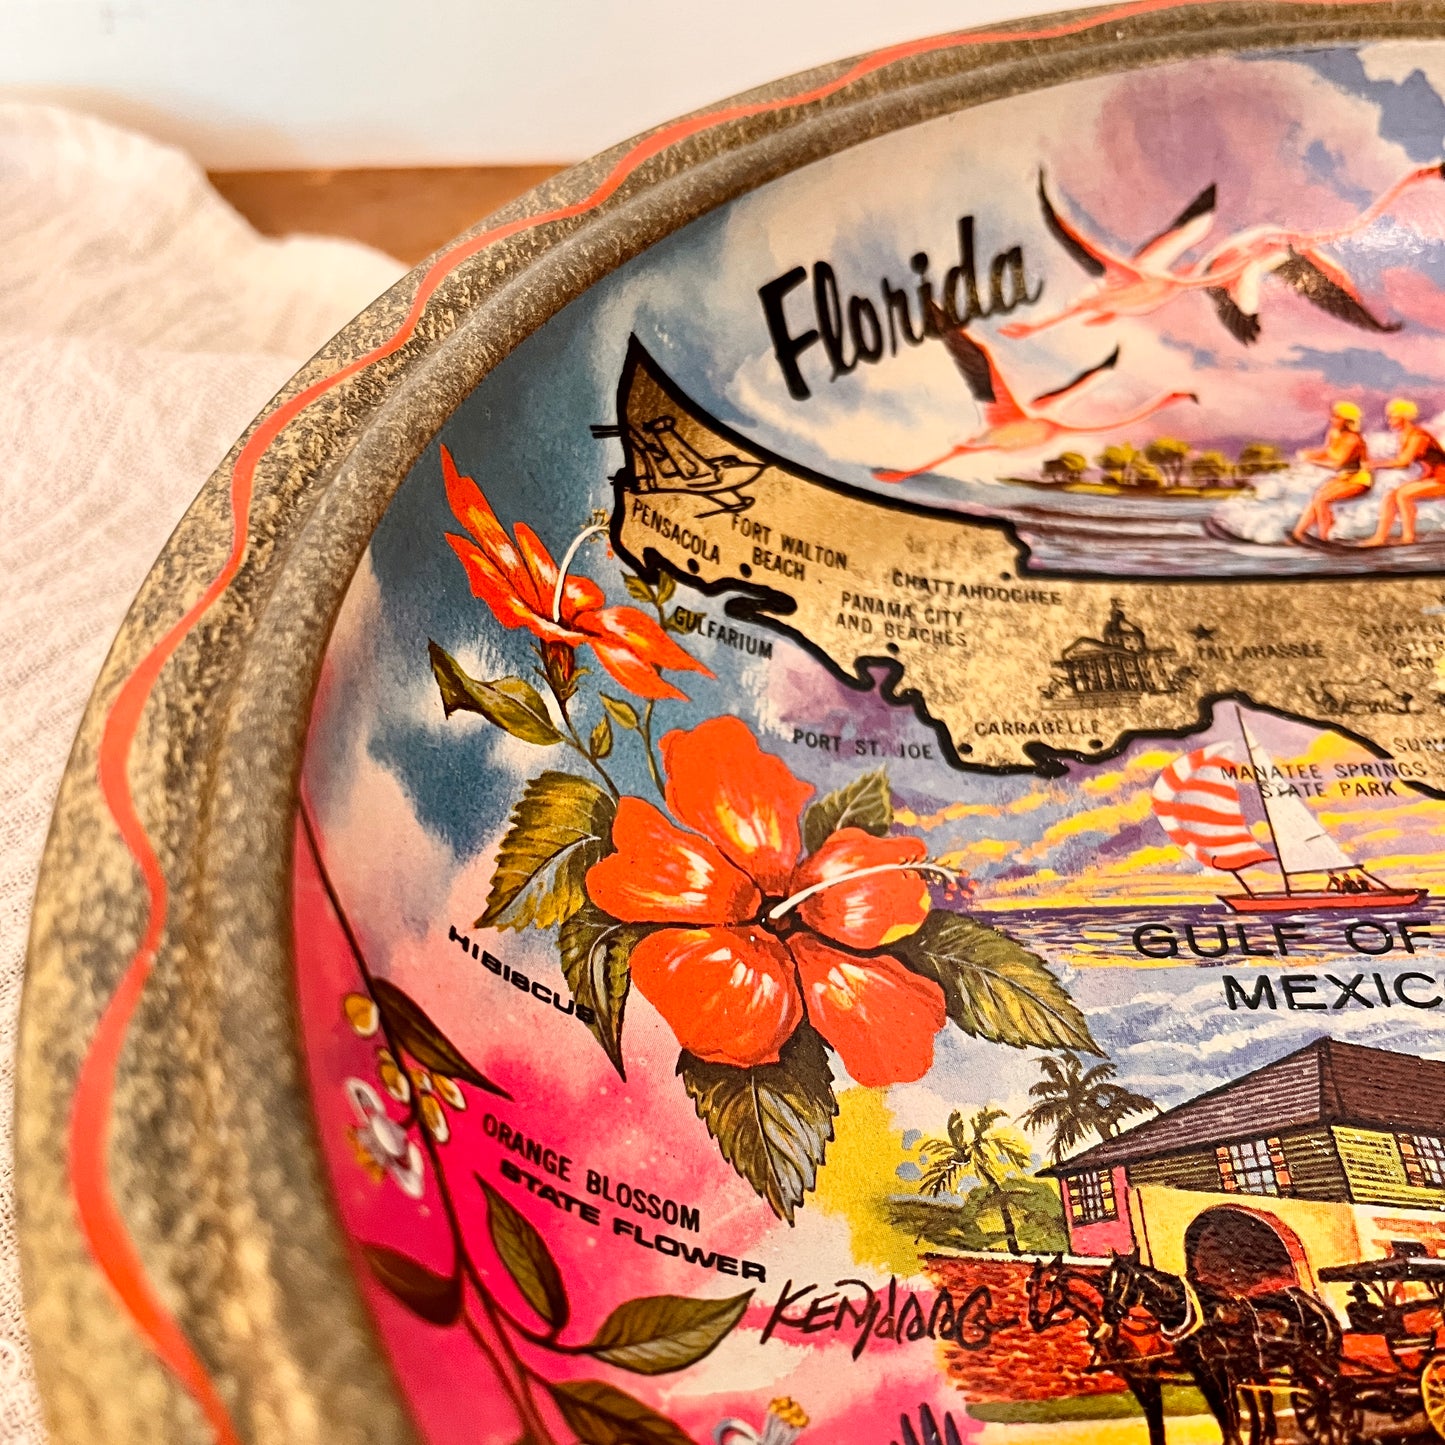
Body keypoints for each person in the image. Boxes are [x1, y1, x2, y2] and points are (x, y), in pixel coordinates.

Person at [1360, 398, 1445, 546]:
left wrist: (1374, 464)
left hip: (1442, 479)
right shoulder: (1405, 436)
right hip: (1433, 477)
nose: (1389, 420)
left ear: (1403, 417)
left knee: (1403, 494)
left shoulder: (1418, 436)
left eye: (1392, 417)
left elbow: (1403, 462)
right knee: (1390, 497)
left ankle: (1408, 537)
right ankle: (1379, 538)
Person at [1291, 400, 1372, 544]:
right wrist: (1310, 454)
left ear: (1347, 421)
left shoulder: (1353, 439)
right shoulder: (1333, 433)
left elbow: (1337, 463)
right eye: (1333, 416)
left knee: (1322, 499)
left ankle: (1325, 538)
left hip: (1359, 479)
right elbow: (1328, 452)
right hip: (1343, 477)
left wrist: (1312, 461)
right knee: (1317, 498)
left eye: (1337, 417)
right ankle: (1297, 534)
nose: (1332, 419)